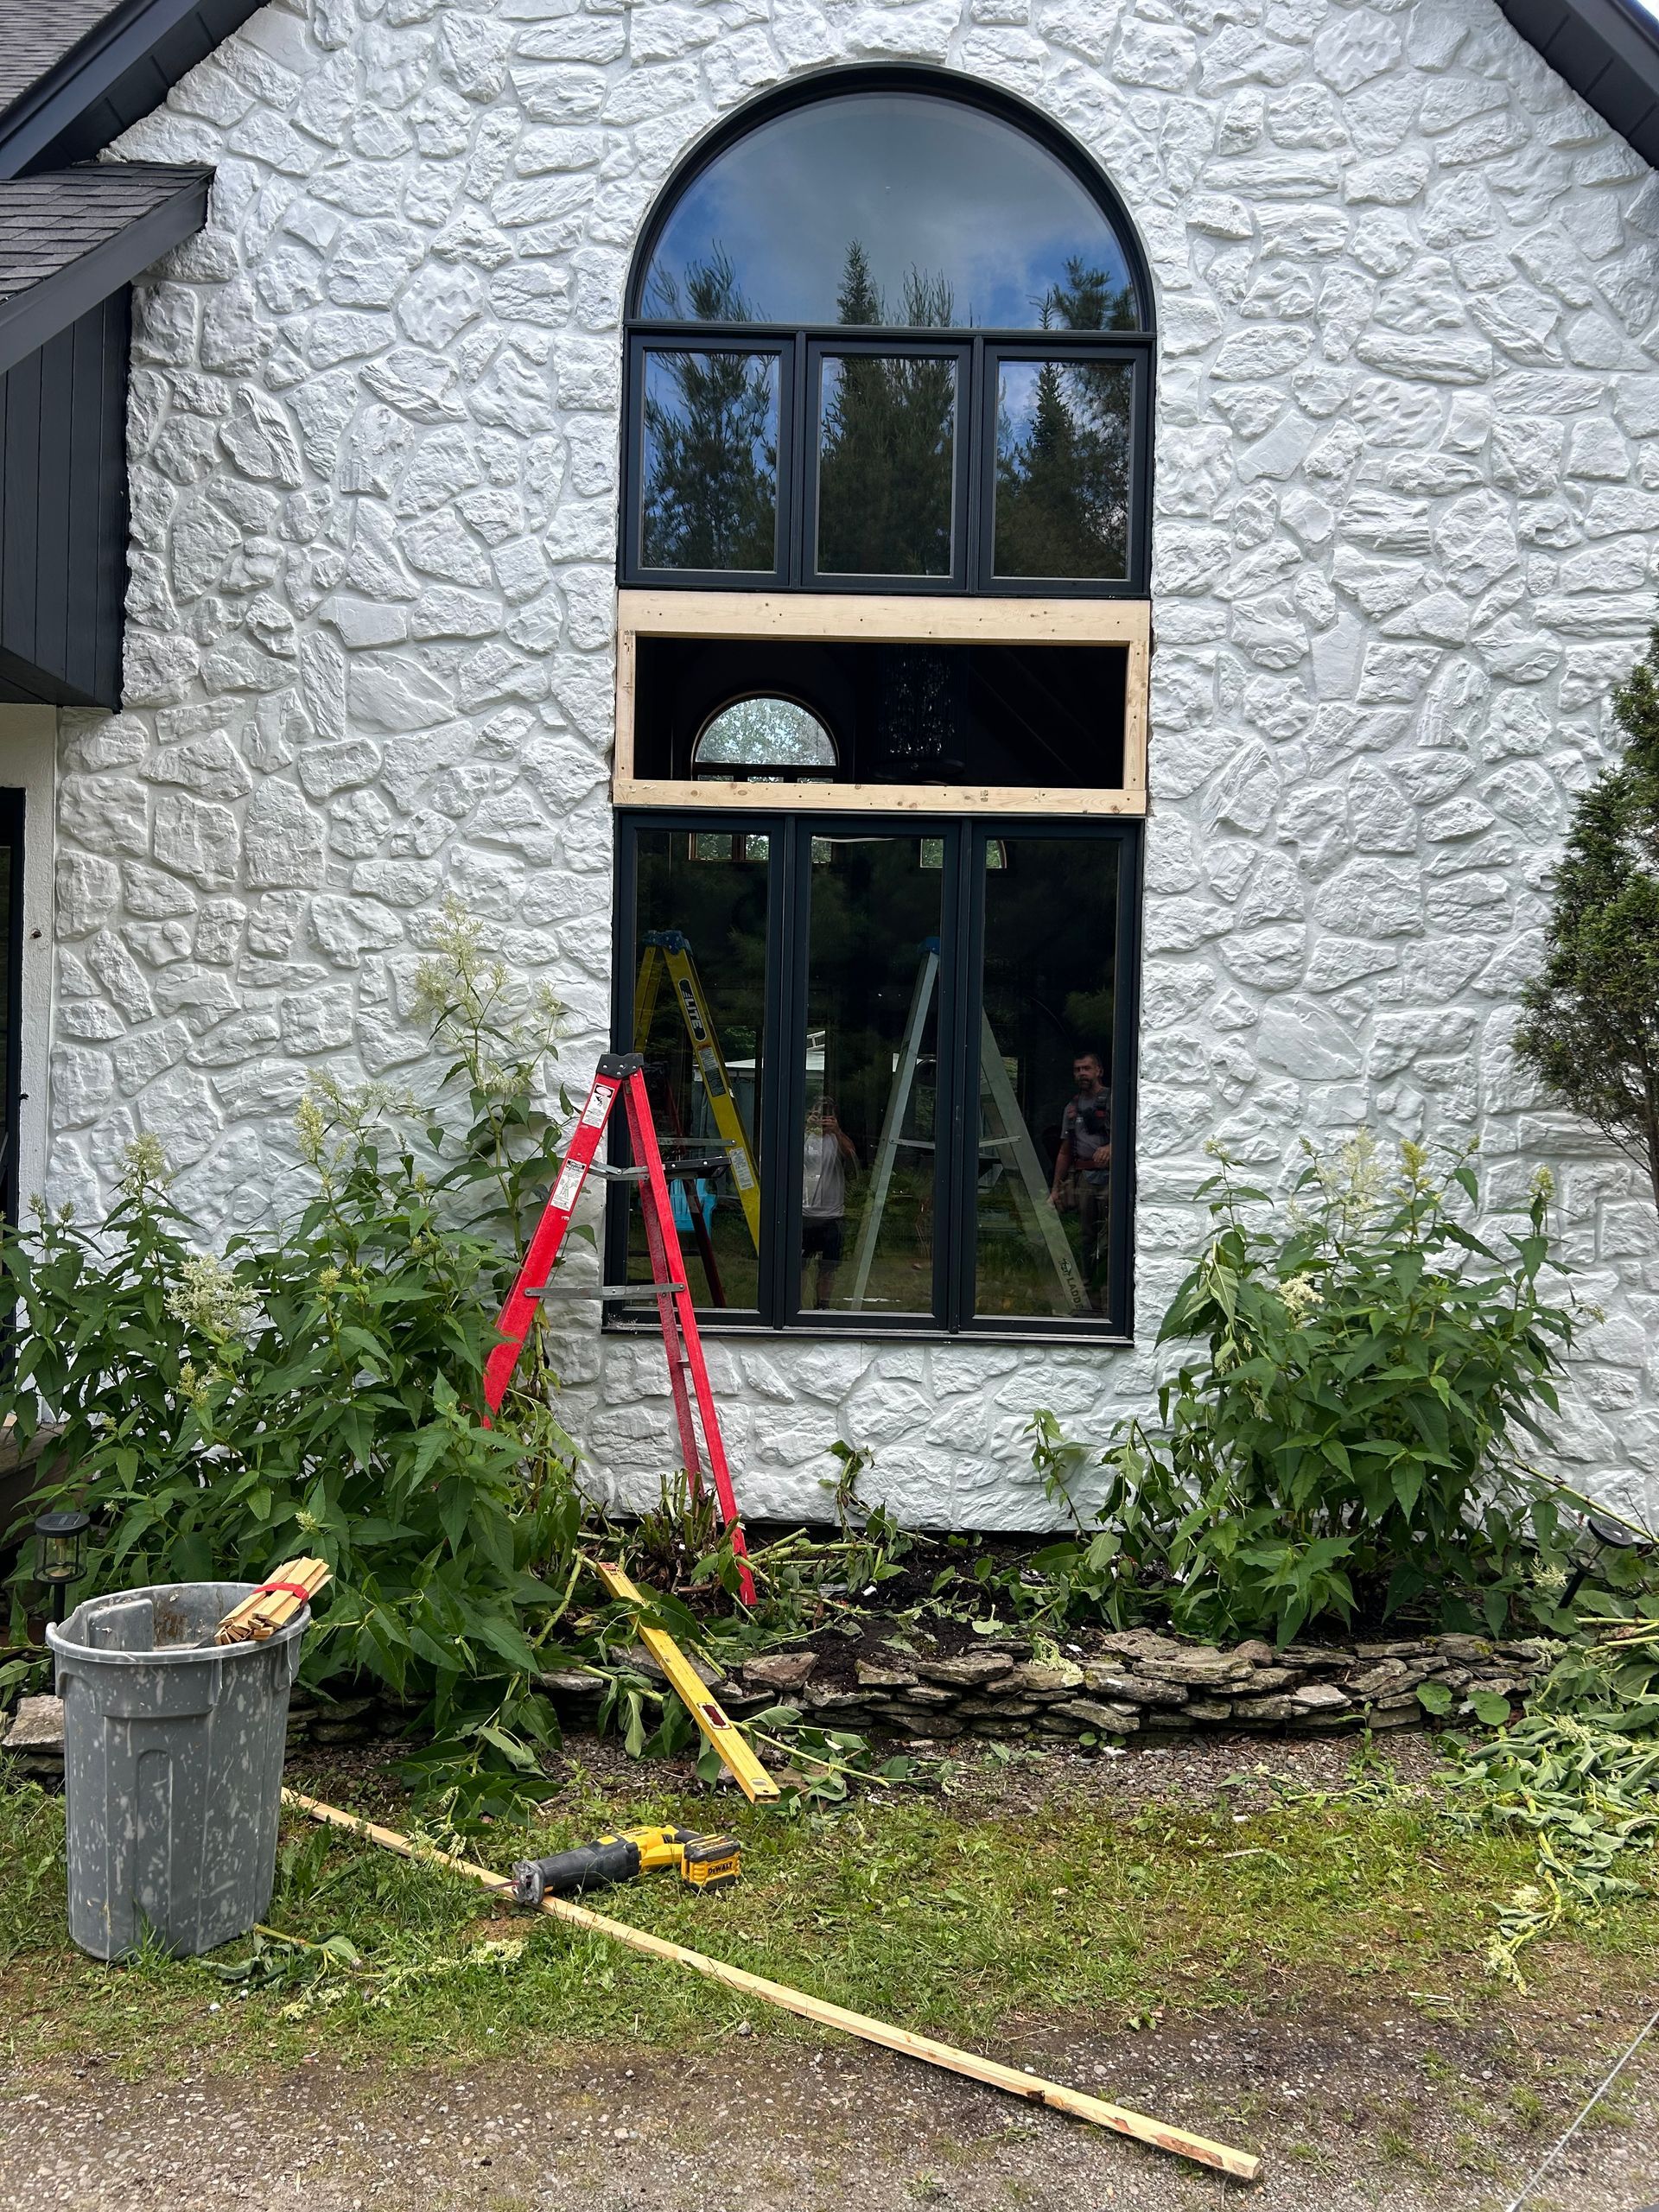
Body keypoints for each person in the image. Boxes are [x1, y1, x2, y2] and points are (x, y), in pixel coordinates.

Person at [1049, 1050, 1111, 1313]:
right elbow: (1065, 1150)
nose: (1081, 1074)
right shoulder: (1072, 1108)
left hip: (1112, 1179)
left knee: (1111, 1238)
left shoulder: (1114, 1100)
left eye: (1086, 1069)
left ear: (1099, 1071)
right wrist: (1056, 1188)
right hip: (1084, 1177)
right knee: (1087, 1237)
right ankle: (1089, 1299)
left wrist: (1113, 1147)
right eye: (1077, 1070)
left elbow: (1136, 1135)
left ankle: (1111, 1298)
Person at [803, 1096, 857, 1309]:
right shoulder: (805, 1137)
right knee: (799, 1267)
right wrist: (808, 1127)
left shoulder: (837, 1138)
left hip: (832, 1215)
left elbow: (852, 1157)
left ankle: (822, 1307)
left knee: (828, 1268)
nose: (821, 1118)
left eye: (827, 1114)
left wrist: (837, 1131)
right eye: (817, 1113)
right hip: (804, 1213)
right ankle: (795, 1307)